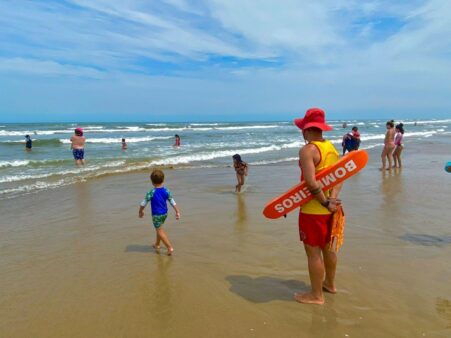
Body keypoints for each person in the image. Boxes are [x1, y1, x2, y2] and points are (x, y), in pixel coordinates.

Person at [293, 107, 343, 305]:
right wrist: (332, 201)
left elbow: (311, 183)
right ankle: (329, 285)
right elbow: (340, 176)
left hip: (313, 211)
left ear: (306, 129)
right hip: (332, 208)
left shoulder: (308, 150)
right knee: (329, 249)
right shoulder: (331, 148)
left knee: (313, 253)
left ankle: (316, 295)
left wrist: (323, 202)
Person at [139, 169, 181, 256]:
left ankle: (169, 247)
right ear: (163, 180)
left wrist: (141, 211)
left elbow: (143, 203)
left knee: (159, 231)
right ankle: (157, 244)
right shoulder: (166, 190)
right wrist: (177, 211)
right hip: (165, 214)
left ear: (152, 182)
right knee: (159, 229)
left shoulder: (151, 192)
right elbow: (172, 201)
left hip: (156, 215)